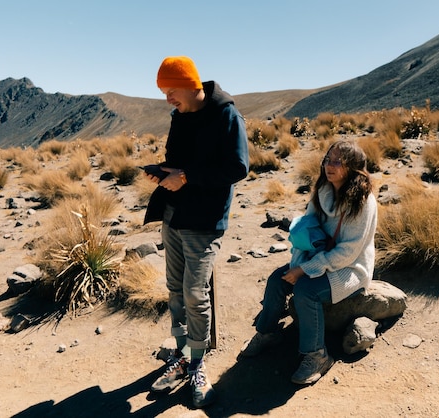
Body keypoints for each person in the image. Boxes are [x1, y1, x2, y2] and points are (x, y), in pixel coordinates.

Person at [145, 56, 249, 408]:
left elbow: (237, 167)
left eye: (171, 91)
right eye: (163, 93)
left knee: (193, 292)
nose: (167, 99)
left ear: (190, 85)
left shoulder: (226, 115)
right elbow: (178, 160)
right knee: (175, 290)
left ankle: (197, 362)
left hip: (204, 220)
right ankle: (182, 354)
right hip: (173, 215)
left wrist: (186, 177)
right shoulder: (180, 117)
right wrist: (162, 171)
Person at [240, 140, 377, 385]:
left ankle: (317, 355)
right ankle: (267, 332)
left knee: (305, 291)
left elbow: (348, 252)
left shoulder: (364, 202)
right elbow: (307, 232)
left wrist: (303, 270)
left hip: (351, 268)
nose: (329, 166)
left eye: (338, 161)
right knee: (276, 280)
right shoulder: (322, 192)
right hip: (318, 259)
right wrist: (298, 264)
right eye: (328, 159)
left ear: (353, 168)